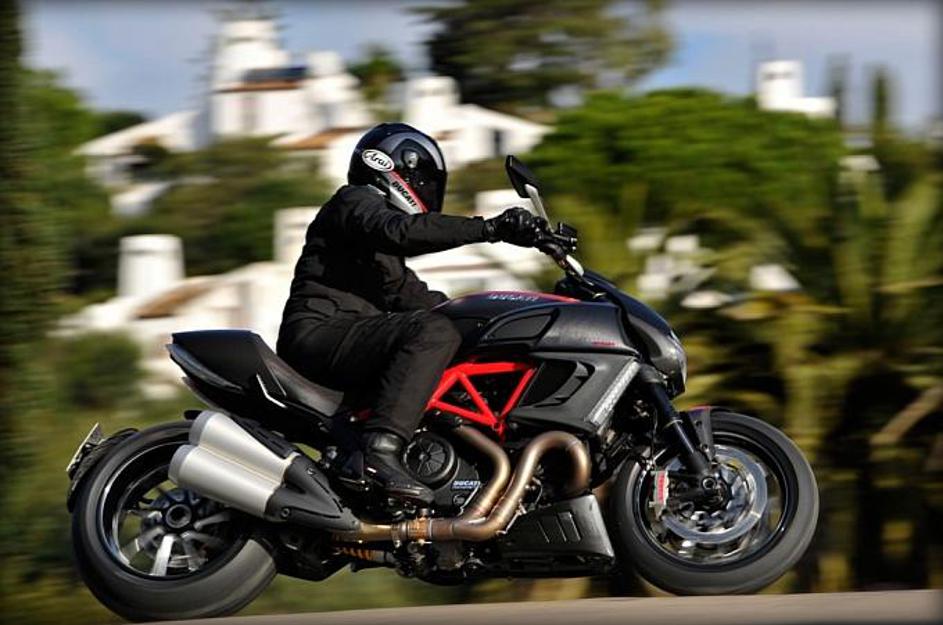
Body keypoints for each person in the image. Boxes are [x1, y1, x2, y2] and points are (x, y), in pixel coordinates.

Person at [277, 123, 544, 504]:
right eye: (423, 180)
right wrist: (491, 228)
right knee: (433, 333)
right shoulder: (354, 202)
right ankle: (379, 451)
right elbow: (400, 230)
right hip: (319, 334)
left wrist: (498, 321)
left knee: (452, 333)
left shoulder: (383, 260)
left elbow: (426, 301)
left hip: (348, 340)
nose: (427, 189)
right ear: (388, 167)